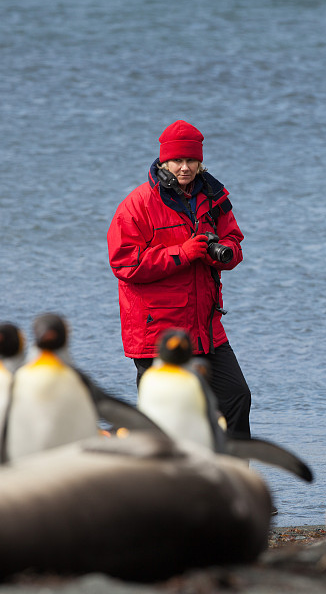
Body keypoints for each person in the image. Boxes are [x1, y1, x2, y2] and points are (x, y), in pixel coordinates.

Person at [107, 119, 251, 439]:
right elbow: (124, 264)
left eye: (191, 160)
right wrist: (183, 253)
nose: (184, 168)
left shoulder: (213, 195)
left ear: (201, 162)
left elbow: (234, 244)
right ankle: (142, 473)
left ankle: (232, 479)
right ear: (164, 161)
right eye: (177, 161)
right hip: (156, 331)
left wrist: (219, 252)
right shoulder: (137, 204)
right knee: (159, 418)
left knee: (236, 398)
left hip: (204, 327)